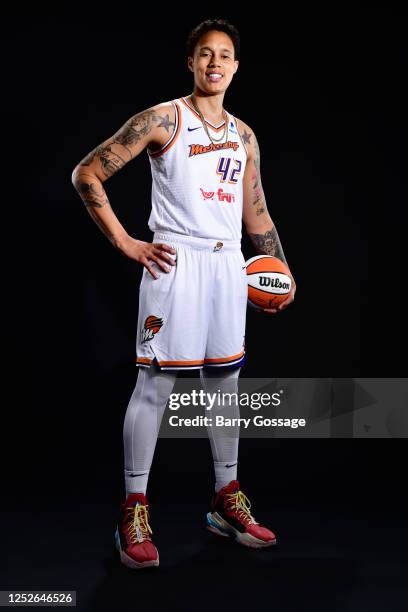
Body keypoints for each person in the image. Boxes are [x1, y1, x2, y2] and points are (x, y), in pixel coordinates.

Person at [72, 18, 296, 569]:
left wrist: (281, 270)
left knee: (224, 383)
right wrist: (127, 242)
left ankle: (226, 500)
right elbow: (87, 174)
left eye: (224, 55)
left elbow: (256, 212)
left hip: (228, 266)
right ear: (191, 63)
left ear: (236, 67)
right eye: (204, 55)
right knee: (157, 385)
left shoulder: (244, 136)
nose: (215, 63)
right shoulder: (163, 119)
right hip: (175, 262)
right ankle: (134, 509)